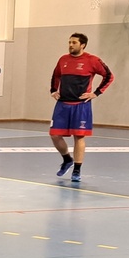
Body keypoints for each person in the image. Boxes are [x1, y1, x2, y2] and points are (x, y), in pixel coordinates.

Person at [49, 32, 114, 183]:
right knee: (54, 135)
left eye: (74, 42)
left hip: (81, 105)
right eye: (69, 42)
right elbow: (56, 75)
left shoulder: (92, 60)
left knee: (79, 136)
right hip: (62, 104)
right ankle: (67, 159)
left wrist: (96, 93)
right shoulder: (63, 60)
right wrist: (53, 90)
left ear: (82, 45)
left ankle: (77, 169)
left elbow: (109, 76)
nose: (70, 45)